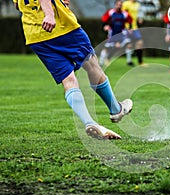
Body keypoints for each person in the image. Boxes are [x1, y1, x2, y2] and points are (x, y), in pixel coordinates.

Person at [13, 0, 133, 139]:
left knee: (68, 79)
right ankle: (116, 109)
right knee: (91, 64)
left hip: (35, 35)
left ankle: (90, 123)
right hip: (62, 28)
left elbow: (18, 5)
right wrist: (49, 15)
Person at [99, 0, 133, 67]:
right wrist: (105, 26)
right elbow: (104, 20)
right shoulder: (111, 12)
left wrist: (130, 29)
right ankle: (101, 62)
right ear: (115, 5)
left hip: (121, 33)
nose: (119, 6)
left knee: (128, 44)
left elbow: (130, 21)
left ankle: (129, 62)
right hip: (112, 33)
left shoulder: (125, 13)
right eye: (118, 4)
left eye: (120, 5)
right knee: (107, 47)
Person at [122, 0, 144, 66]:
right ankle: (129, 61)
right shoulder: (126, 3)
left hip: (135, 27)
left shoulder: (138, 4)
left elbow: (139, 14)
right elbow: (122, 15)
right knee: (129, 44)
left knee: (140, 43)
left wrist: (140, 19)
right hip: (127, 27)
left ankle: (140, 62)